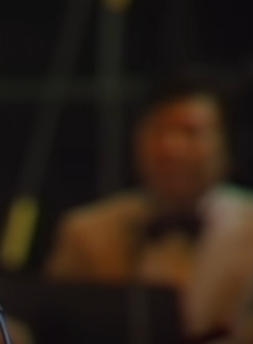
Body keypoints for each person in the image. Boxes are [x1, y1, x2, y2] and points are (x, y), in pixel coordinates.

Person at [45, 70, 253, 343]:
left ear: (228, 144)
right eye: (159, 130)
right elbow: (52, 325)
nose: (170, 147)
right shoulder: (87, 231)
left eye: (190, 132)